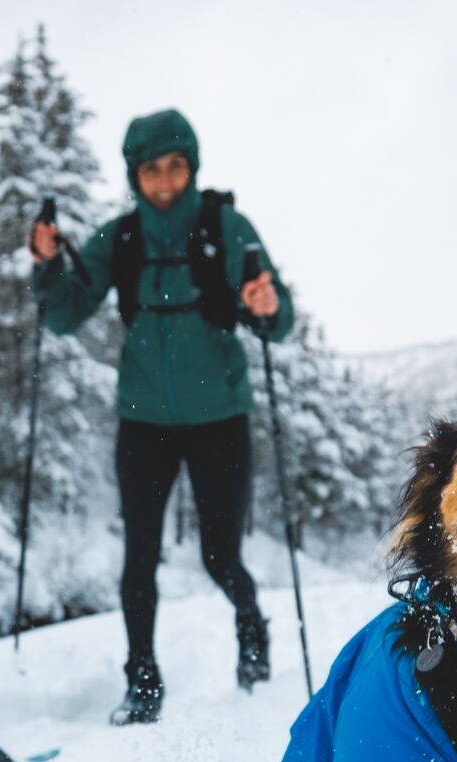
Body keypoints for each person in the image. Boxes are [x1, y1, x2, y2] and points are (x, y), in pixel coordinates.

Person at [30, 108, 295, 725]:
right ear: (136, 175)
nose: (167, 180)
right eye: (153, 169)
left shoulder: (227, 228)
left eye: (177, 166)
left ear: (192, 168)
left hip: (221, 419)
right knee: (139, 554)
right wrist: (47, 266)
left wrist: (267, 303)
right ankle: (141, 682)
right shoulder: (119, 238)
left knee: (219, 557)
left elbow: (275, 323)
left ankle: (251, 629)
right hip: (143, 420)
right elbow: (65, 316)